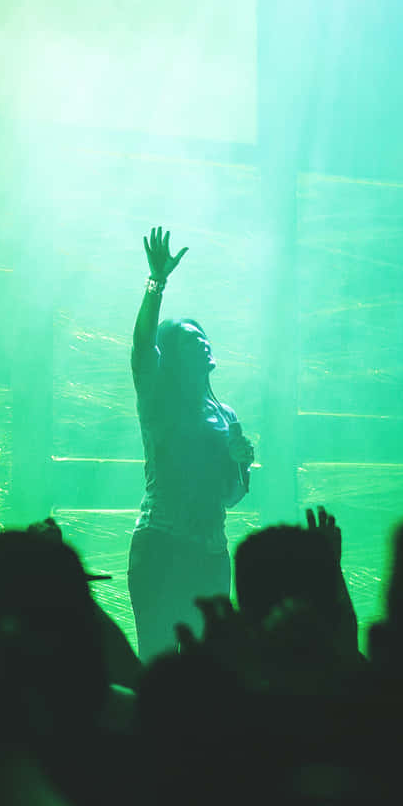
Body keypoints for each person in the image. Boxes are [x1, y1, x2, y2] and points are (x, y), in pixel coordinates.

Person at [128, 226, 254, 660]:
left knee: (210, 672)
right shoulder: (158, 399)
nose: (202, 341)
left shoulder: (227, 415)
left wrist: (241, 464)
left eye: (203, 336)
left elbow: (231, 497)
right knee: (160, 662)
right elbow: (142, 346)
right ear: (172, 357)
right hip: (162, 547)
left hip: (211, 554)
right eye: (188, 339)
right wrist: (156, 284)